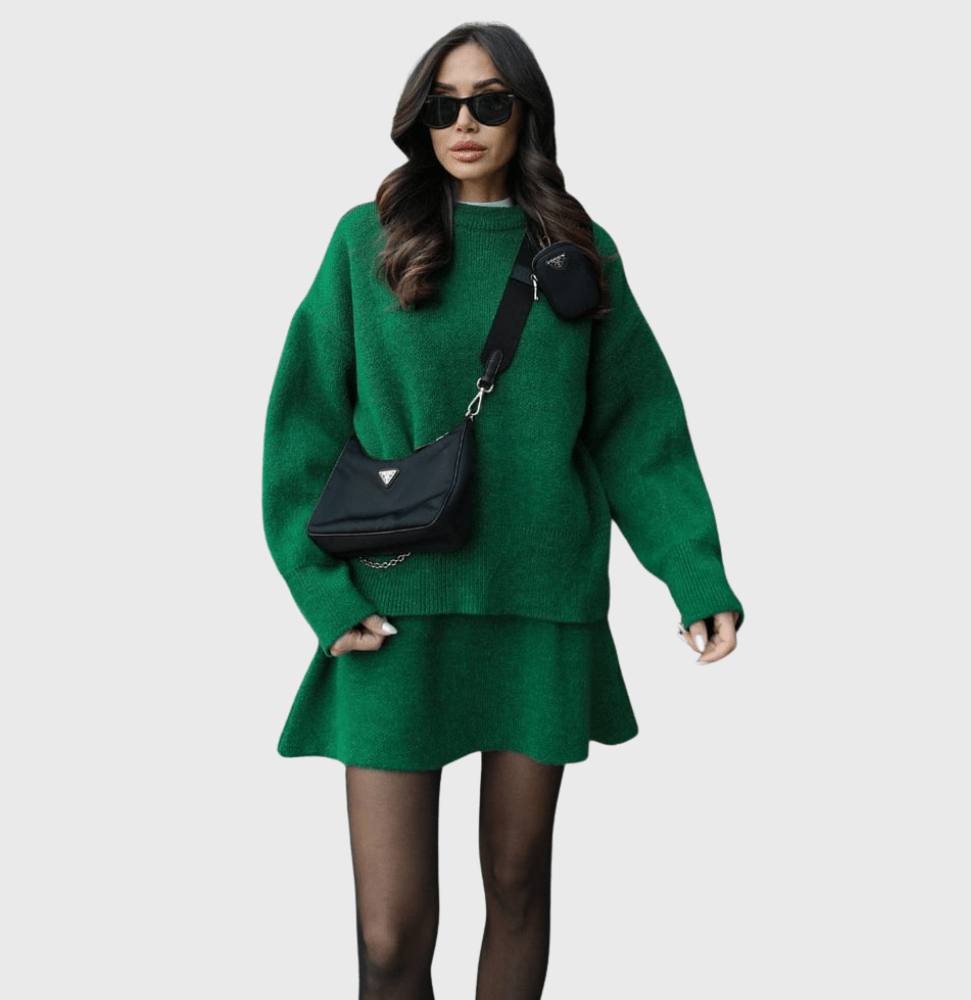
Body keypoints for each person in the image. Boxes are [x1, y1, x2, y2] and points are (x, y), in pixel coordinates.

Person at [261, 20, 744, 998]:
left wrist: (695, 573)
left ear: (525, 114)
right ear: (420, 119)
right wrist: (323, 594)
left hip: (538, 606)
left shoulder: (577, 252)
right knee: (391, 936)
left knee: (519, 889)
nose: (465, 123)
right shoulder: (367, 241)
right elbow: (301, 428)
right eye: (444, 105)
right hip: (394, 613)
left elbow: (636, 427)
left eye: (488, 101)